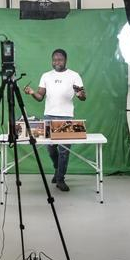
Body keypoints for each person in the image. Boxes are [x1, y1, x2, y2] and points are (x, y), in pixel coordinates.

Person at [24, 49, 86, 191]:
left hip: (67, 117)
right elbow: (40, 96)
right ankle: (58, 169)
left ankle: (60, 179)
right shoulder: (46, 76)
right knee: (51, 148)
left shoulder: (74, 75)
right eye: (54, 60)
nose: (57, 62)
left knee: (64, 151)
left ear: (65, 60)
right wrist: (32, 92)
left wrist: (81, 94)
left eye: (60, 59)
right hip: (49, 116)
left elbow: (82, 97)